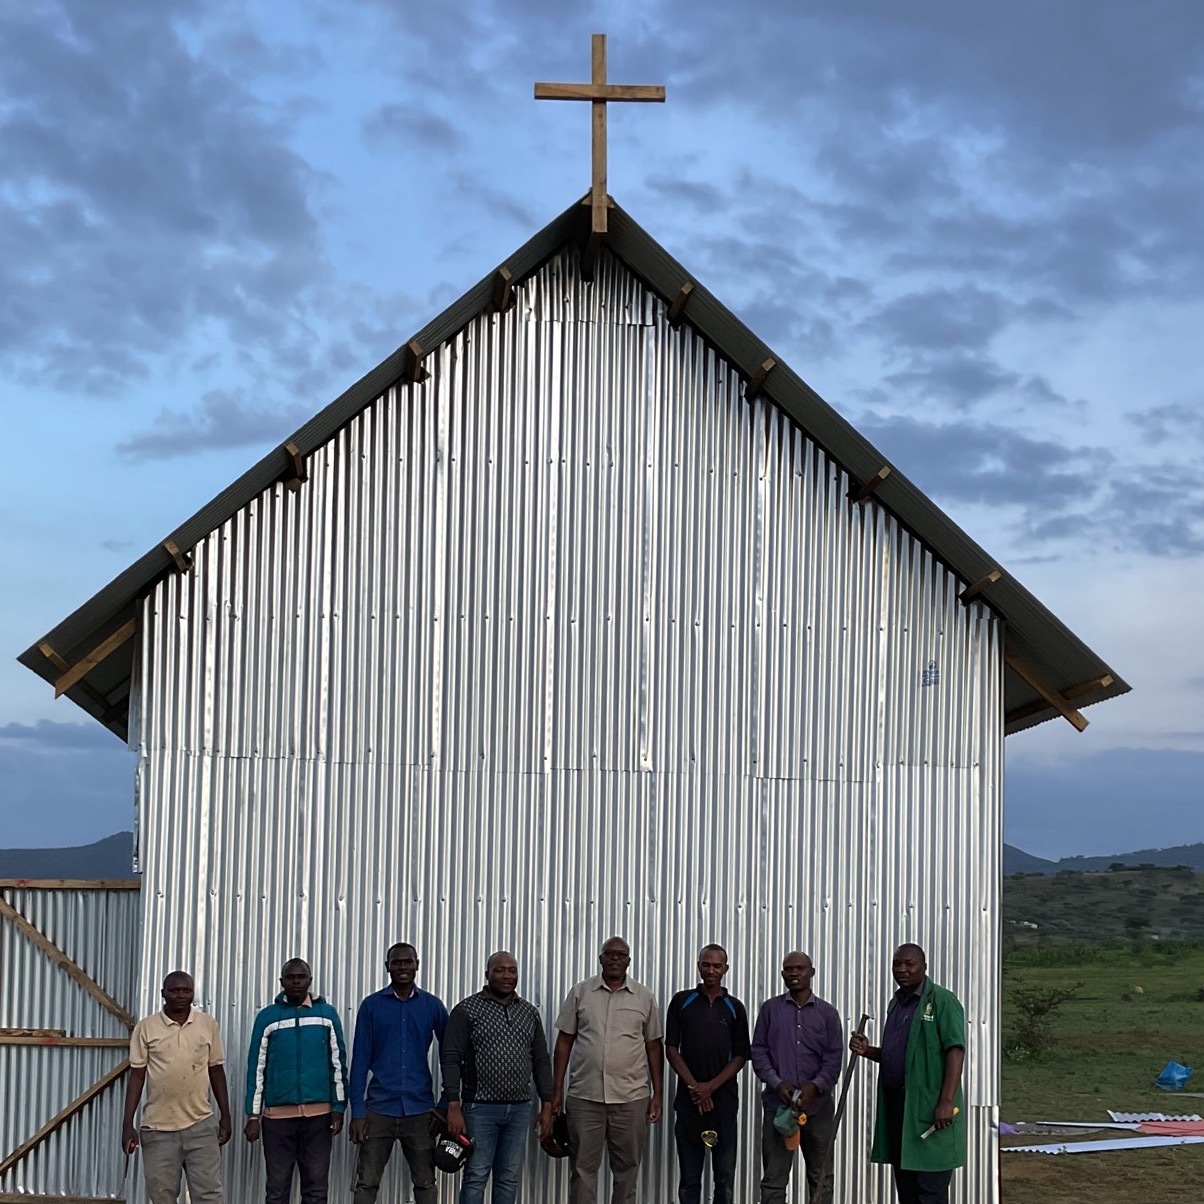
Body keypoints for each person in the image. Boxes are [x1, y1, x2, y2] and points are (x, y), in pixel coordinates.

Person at [849, 943, 966, 1204]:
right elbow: (900, 1054)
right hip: (899, 1109)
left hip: (929, 1109)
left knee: (930, 1190)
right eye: (897, 964)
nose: (902, 970)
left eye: (909, 964)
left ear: (924, 967)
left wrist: (946, 1101)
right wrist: (868, 1051)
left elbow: (955, 1050)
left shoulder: (942, 1001)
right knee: (907, 1190)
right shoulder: (896, 1004)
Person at [551, 936, 664, 1204]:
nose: (615, 958)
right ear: (600, 958)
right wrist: (556, 1092)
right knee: (582, 1170)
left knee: (627, 1171)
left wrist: (657, 1094)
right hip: (585, 1097)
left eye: (621, 955)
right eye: (609, 954)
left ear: (629, 961)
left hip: (631, 1099)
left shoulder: (644, 997)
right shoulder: (580, 993)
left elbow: (654, 1047)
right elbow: (564, 1041)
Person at [441, 951, 555, 1204]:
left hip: (519, 1109)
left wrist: (547, 1103)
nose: (507, 976)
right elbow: (450, 1059)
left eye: (512, 970)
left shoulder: (528, 1012)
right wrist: (453, 1105)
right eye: (500, 970)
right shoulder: (467, 1010)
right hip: (479, 1109)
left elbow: (541, 1060)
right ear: (487, 974)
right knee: (476, 1176)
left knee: (508, 1178)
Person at [348, 942, 449, 1204]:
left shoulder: (433, 1006)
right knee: (367, 1183)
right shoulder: (371, 1006)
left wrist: (446, 1103)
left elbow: (452, 1057)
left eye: (408, 962)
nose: (403, 967)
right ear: (387, 967)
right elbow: (359, 1061)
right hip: (378, 1110)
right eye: (396, 962)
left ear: (417, 965)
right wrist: (357, 1111)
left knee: (425, 1183)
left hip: (420, 1111)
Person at [243, 958, 349, 1204]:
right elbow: (257, 1068)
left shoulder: (326, 1015)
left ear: (310, 981)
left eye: (301, 977)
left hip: (318, 1119)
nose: (296, 981)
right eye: (290, 977)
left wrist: (338, 1108)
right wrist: (252, 1115)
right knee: (277, 1189)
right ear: (282, 982)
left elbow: (338, 1064)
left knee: (316, 1189)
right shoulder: (268, 1018)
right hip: (277, 1120)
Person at [121, 970, 232, 1204]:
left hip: (201, 1124)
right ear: (163, 993)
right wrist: (128, 1124)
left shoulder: (207, 1024)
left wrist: (225, 1116)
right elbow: (137, 1076)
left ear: (193, 993)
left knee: (209, 1195)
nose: (180, 995)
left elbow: (216, 1071)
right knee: (162, 1196)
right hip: (158, 1128)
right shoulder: (146, 1027)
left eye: (186, 990)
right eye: (174, 990)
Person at [750, 951, 843, 1204]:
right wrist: (776, 1083)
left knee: (821, 1178)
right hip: (779, 1109)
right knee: (773, 1180)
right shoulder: (770, 1010)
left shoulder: (828, 1014)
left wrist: (816, 1086)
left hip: (818, 1109)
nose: (794, 973)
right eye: (789, 969)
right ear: (782, 974)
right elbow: (758, 1051)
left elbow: (834, 1058)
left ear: (811, 972)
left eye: (800, 969)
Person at [664, 944, 751, 1204]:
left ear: (726, 969)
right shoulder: (682, 1001)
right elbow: (671, 1048)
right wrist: (696, 1089)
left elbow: (741, 1055)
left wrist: (710, 1088)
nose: (711, 970)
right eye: (706, 964)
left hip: (723, 1105)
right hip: (689, 1103)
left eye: (717, 965)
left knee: (723, 1178)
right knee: (690, 1178)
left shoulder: (735, 1007)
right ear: (699, 965)